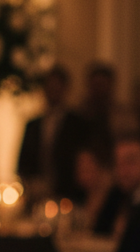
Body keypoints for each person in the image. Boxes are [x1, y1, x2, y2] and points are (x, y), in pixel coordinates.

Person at [16, 64, 89, 201]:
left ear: (65, 89)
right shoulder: (33, 125)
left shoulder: (78, 124)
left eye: (57, 86)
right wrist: (31, 184)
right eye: (50, 86)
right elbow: (23, 161)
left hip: (69, 194)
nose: (53, 90)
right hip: (36, 195)